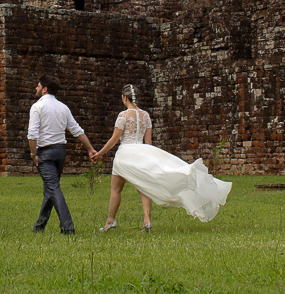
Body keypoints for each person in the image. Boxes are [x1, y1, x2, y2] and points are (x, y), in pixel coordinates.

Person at [90, 84, 231, 232]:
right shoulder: (145, 115)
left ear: (125, 98)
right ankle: (147, 220)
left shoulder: (123, 116)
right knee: (143, 186)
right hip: (142, 153)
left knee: (116, 189)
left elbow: (114, 139)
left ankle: (111, 221)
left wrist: (99, 154)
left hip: (125, 154)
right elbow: (148, 142)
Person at [28, 74, 96, 234]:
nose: (36, 89)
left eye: (38, 86)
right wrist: (89, 148)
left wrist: (33, 155)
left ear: (44, 89)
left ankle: (68, 226)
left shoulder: (37, 107)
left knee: (53, 188)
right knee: (51, 189)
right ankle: (40, 225)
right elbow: (76, 130)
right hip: (60, 152)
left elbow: (32, 134)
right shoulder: (63, 107)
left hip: (45, 153)